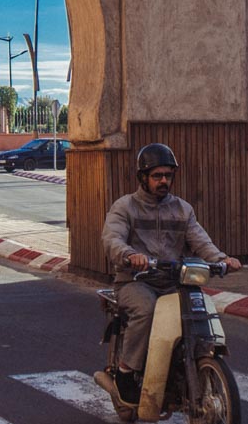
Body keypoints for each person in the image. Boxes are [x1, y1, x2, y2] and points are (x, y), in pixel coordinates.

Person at [97, 143, 240, 407]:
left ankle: (189, 363)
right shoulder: (125, 207)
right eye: (157, 176)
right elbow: (112, 239)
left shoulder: (182, 209)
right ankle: (127, 373)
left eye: (168, 175)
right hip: (135, 281)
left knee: (198, 310)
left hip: (174, 281)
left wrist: (221, 260)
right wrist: (130, 256)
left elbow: (200, 241)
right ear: (143, 177)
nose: (164, 181)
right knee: (146, 309)